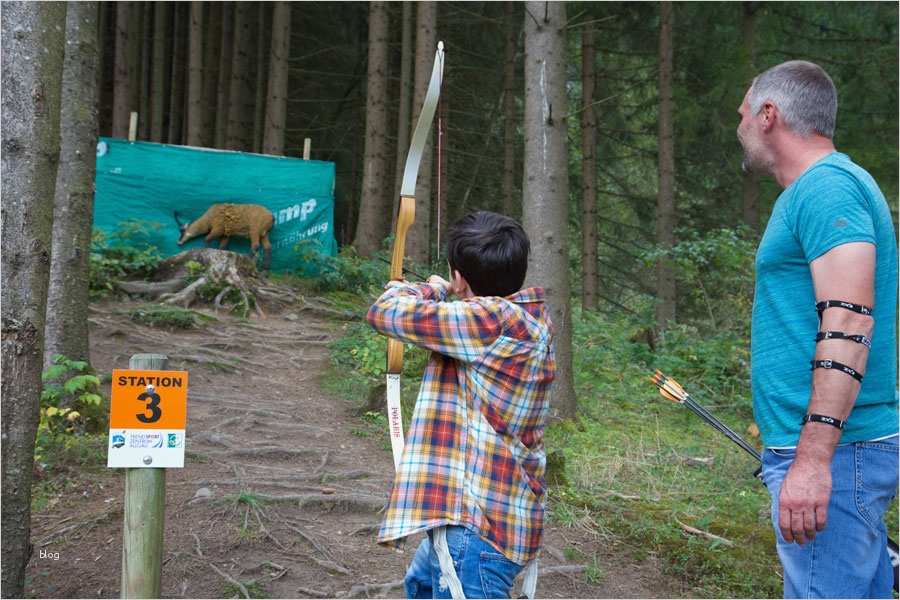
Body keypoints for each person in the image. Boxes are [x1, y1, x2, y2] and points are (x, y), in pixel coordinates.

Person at [737, 60, 898, 598]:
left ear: (768, 115)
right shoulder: (820, 189)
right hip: (838, 452)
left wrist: (812, 461)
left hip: (838, 453)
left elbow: (849, 322)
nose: (737, 128)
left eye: (741, 115)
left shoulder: (827, 188)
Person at [366, 211, 555, 599]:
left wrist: (429, 289)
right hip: (496, 514)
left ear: (460, 277)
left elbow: (384, 311)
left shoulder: (487, 321)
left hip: (477, 528)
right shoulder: (529, 319)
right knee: (420, 584)